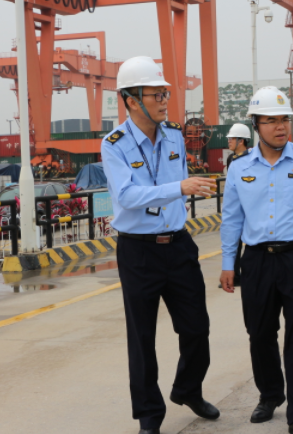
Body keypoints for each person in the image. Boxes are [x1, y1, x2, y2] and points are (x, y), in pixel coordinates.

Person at [101, 56, 221, 434]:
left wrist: (179, 190)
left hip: (179, 246)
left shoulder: (173, 135)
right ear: (132, 100)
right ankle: (149, 417)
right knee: (142, 338)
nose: (164, 100)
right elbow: (127, 196)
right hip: (138, 251)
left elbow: (177, 184)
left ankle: (188, 389)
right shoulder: (114, 145)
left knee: (197, 327)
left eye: (165, 93)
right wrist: (178, 188)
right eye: (156, 94)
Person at [220, 86, 293, 434]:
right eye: (271, 120)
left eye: (284, 119)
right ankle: (270, 395)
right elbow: (232, 219)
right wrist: (228, 263)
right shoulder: (239, 168)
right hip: (257, 262)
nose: (280, 126)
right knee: (260, 334)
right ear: (256, 124)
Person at [224, 123, 251, 287]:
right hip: (237, 207)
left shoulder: (253, 158)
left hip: (249, 207)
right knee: (235, 241)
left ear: (241, 141)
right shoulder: (231, 160)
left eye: (231, 138)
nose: (228, 141)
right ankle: (235, 274)